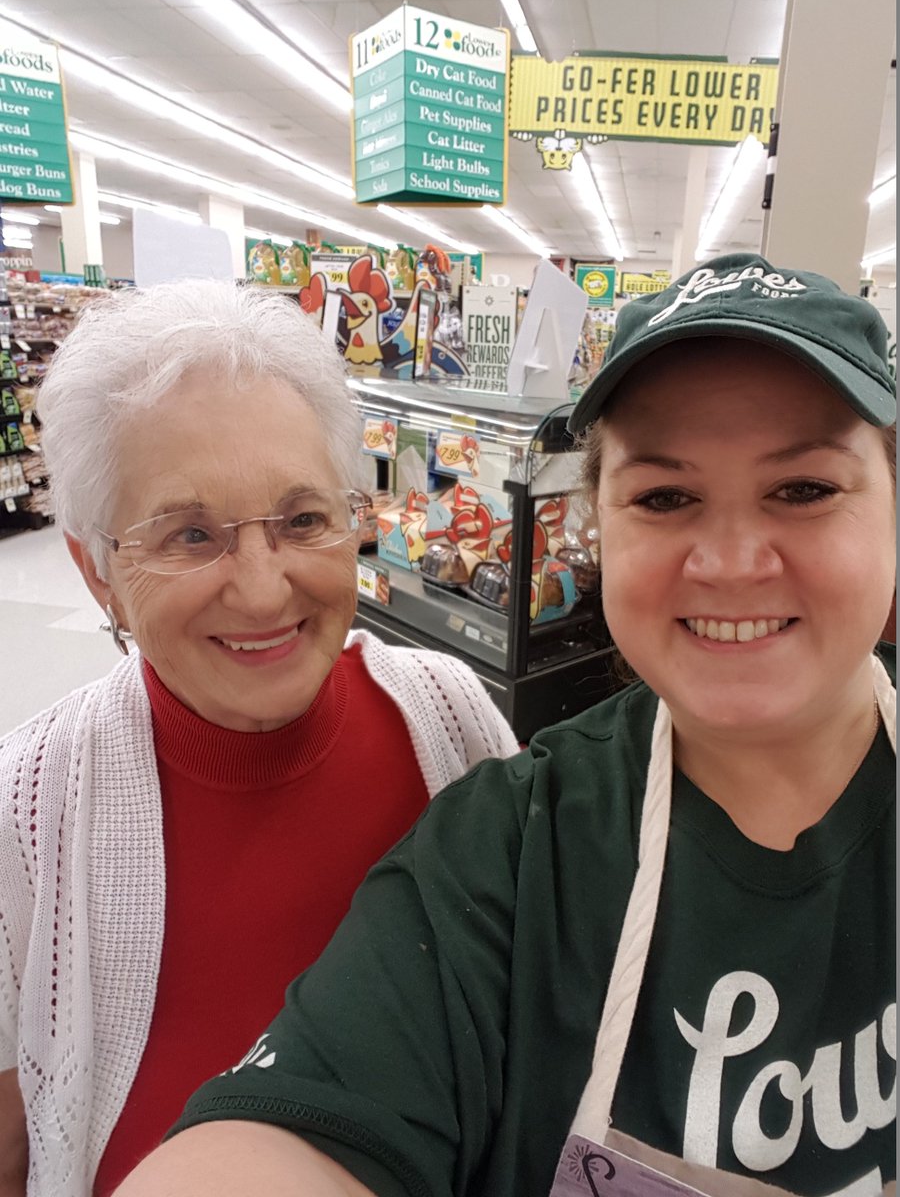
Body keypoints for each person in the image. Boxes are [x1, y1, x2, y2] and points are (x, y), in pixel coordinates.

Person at [116, 253, 896, 1197]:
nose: (731, 562)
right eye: (665, 497)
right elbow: (285, 1139)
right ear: (600, 526)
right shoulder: (507, 851)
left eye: (805, 489)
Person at [0, 279, 519, 1197]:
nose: (263, 588)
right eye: (191, 535)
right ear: (98, 572)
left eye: (303, 519)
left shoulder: (453, 723)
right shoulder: (29, 809)